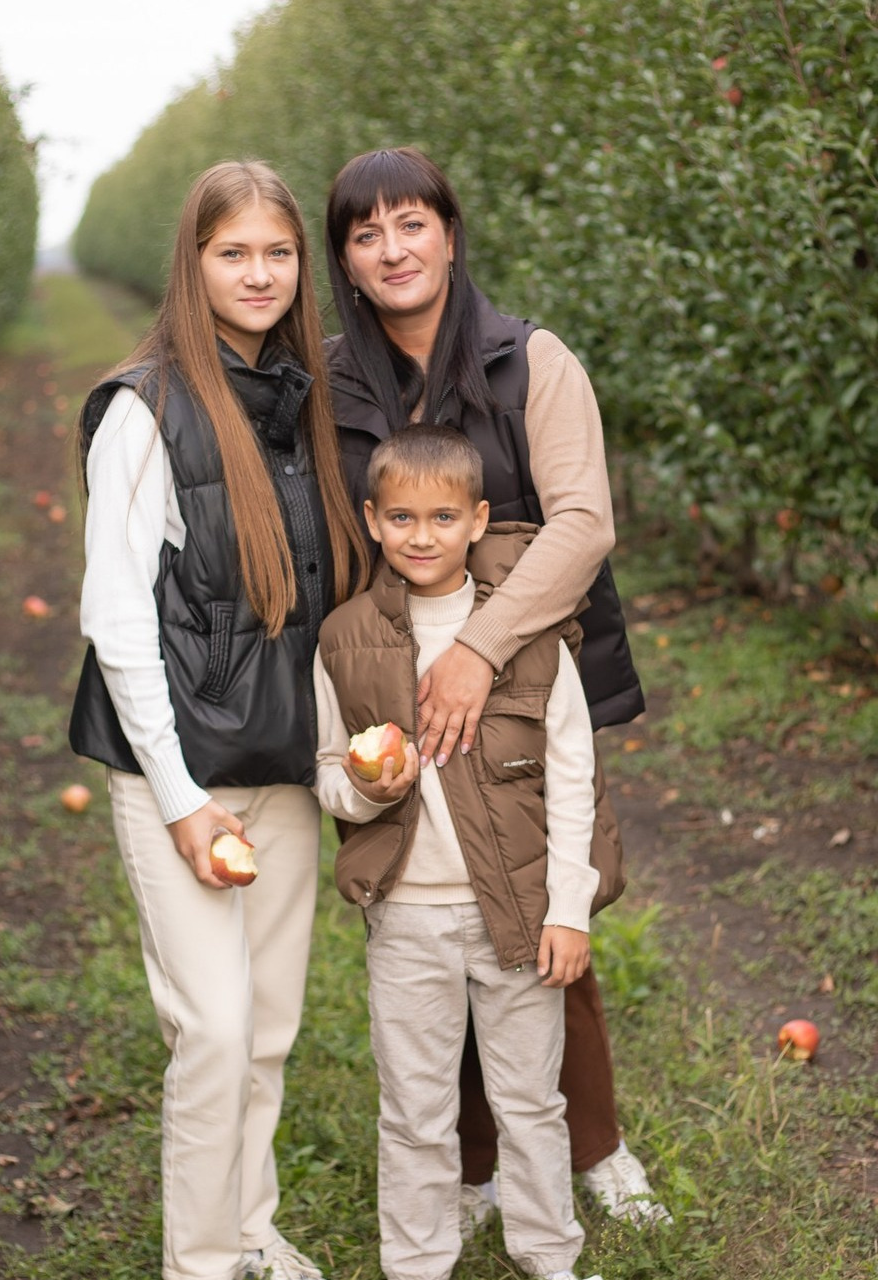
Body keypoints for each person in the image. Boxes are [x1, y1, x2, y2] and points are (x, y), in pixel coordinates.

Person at [323, 146, 669, 1228]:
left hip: (525, 669)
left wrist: (480, 645)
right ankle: (477, 1165)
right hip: (402, 673)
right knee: (437, 906)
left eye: (410, 223)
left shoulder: (530, 360)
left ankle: (591, 1142)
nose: (393, 248)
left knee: (531, 896)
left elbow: (581, 521)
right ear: (344, 258)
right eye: (366, 233)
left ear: (450, 231)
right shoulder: (337, 381)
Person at [68, 159, 368, 1280]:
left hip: (278, 760)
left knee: (272, 1026)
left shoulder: (298, 403)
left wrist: (340, 753)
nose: (258, 272)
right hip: (178, 772)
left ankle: (249, 1225)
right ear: (192, 265)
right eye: (232, 251)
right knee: (214, 1029)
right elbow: (114, 617)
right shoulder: (142, 413)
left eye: (277, 252)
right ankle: (198, 1261)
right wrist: (183, 801)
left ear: (301, 268)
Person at [314, 424, 603, 1280]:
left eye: (444, 517)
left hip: (513, 912)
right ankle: (417, 1262)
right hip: (405, 916)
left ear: (479, 520)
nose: (422, 536)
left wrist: (568, 909)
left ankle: (550, 1255)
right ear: (371, 520)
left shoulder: (528, 635)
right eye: (401, 517)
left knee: (529, 1101)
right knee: (414, 1107)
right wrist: (369, 790)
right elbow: (326, 774)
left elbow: (574, 780)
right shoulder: (343, 639)